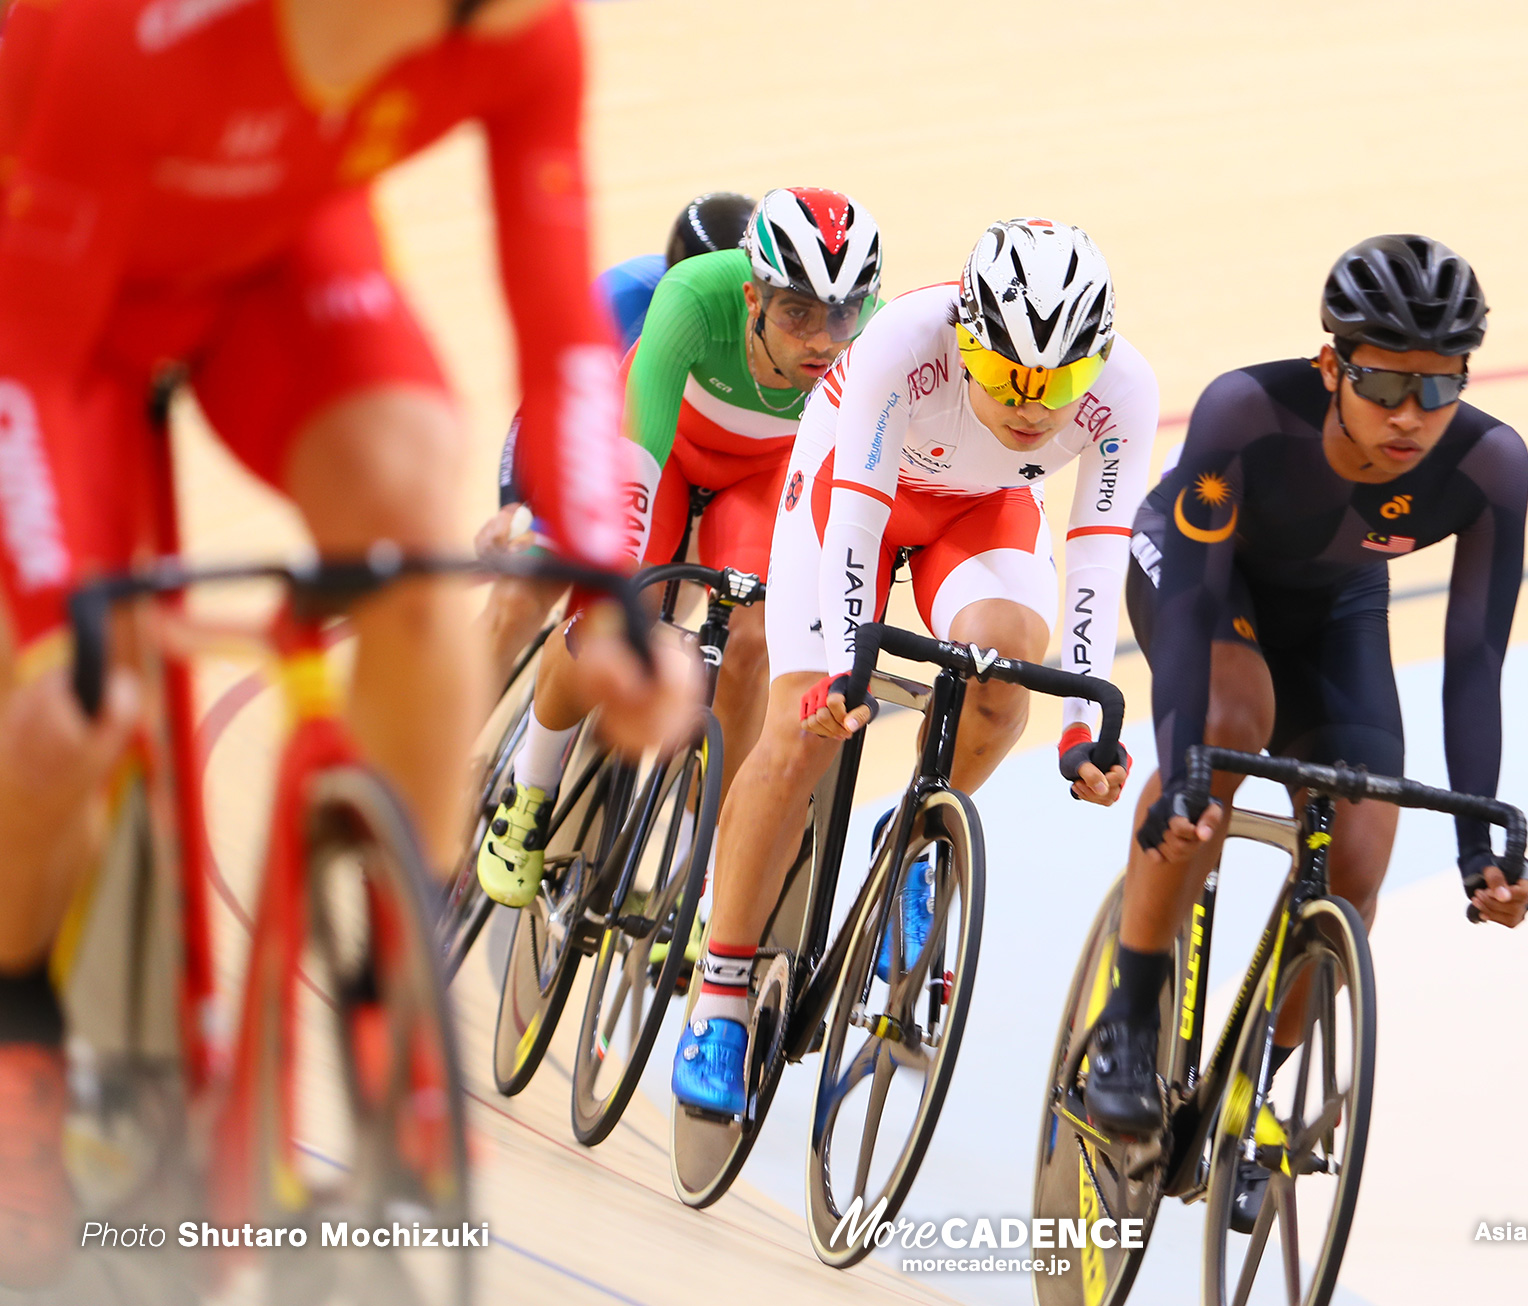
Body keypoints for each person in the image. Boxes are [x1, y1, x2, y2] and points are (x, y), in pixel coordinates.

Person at [0, 0, 689, 1285]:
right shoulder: (117, 31)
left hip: (274, 260)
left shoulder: (519, 31)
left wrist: (606, 589)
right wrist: (57, 621)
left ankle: (392, 1007)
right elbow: (25, 353)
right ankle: (20, 1032)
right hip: (48, 310)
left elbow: (563, 328)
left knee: (421, 529)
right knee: (62, 713)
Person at [1082, 234, 1528, 1219]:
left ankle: (1255, 1092)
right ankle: (1128, 1014)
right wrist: (1189, 766)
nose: (1412, 414)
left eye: (1439, 384)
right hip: (1203, 578)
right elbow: (1197, 606)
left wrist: (1476, 847)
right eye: (1383, 382)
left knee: (1363, 847)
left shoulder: (1490, 463)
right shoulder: (1247, 412)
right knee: (1232, 719)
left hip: (1334, 611)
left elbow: (1474, 660)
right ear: (1330, 364)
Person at [670, 218, 1157, 1115]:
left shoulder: (1126, 389)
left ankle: (913, 834)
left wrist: (1084, 723)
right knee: (799, 731)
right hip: (854, 487)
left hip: (977, 511)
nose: (1033, 405)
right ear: (967, 336)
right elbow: (854, 518)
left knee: (1009, 673)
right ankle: (720, 1001)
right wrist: (844, 671)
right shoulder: (906, 340)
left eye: (1061, 383)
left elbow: (1094, 553)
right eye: (1009, 374)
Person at [474, 187, 882, 908]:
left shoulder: (870, 340)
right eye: (797, 314)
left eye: (840, 317)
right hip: (662, 455)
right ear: (753, 297)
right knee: (607, 610)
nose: (823, 339)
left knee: (754, 637)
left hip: (758, 478)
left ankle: (702, 865)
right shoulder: (687, 297)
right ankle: (528, 795)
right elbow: (634, 464)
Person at [477, 190, 756, 673]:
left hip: (689, 467)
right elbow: (544, 404)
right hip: (602, 452)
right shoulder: (619, 298)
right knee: (519, 601)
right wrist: (514, 502)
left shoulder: (774, 330)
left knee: (651, 611)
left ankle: (600, 730)